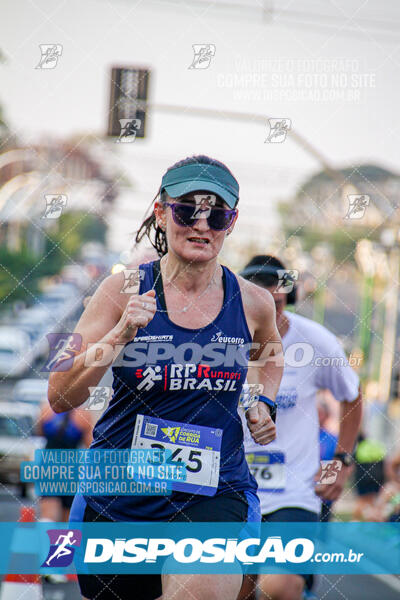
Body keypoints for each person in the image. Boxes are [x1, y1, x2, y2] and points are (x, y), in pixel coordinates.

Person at [48, 155, 284, 600]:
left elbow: (271, 357)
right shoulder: (119, 292)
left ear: (231, 222)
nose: (201, 225)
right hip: (121, 494)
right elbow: (60, 394)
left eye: (217, 214)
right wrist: (120, 333)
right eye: (186, 210)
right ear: (161, 211)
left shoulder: (253, 302)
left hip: (213, 489)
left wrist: (263, 401)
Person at [238, 255, 362, 600]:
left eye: (275, 302)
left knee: (280, 585)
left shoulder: (315, 341)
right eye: (256, 302)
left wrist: (340, 462)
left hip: (293, 489)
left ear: (288, 300)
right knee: (235, 590)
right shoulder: (222, 341)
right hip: (232, 489)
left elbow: (352, 394)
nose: (268, 312)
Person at [37, 401, 93, 522]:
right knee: (68, 513)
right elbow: (91, 446)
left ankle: (46, 539)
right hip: (71, 468)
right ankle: (65, 539)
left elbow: (40, 433)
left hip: (48, 465)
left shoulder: (46, 409)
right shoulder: (83, 416)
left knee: (48, 511)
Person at [317, 391, 338, 522]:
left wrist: (324, 486)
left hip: (322, 493)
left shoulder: (331, 439)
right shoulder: (303, 437)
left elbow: (333, 461)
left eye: (320, 413)